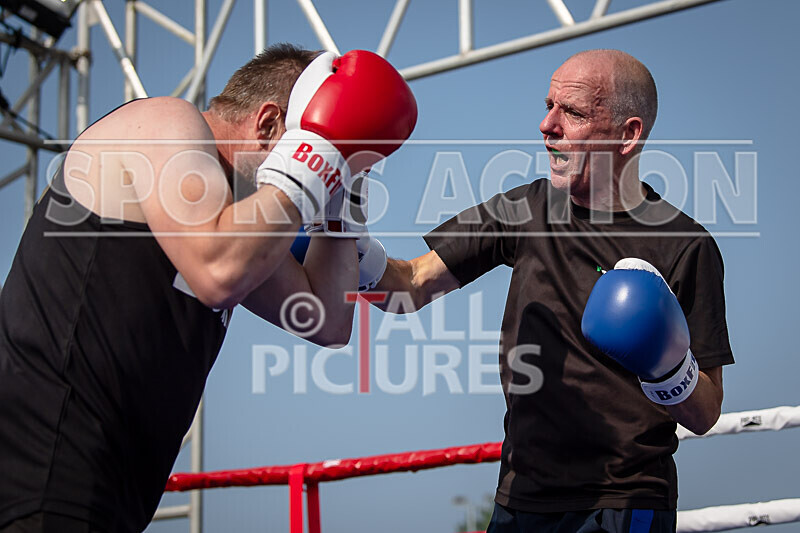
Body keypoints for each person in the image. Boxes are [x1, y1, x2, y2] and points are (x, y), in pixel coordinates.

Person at [0, 43, 416, 532]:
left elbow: (326, 319)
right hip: (42, 470)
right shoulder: (162, 123)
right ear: (267, 125)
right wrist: (320, 155)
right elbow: (218, 270)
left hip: (111, 492)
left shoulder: (228, 225)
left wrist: (338, 197)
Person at [370, 49, 734, 531]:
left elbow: (706, 411)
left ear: (628, 134)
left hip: (624, 500)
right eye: (548, 105)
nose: (547, 125)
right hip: (519, 496)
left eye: (574, 112)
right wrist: (342, 230)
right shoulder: (524, 209)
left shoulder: (684, 245)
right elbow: (409, 286)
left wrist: (666, 364)